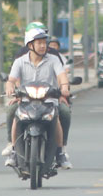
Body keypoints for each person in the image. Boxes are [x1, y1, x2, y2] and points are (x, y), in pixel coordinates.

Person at [4, 28, 72, 172]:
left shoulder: (53, 60)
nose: (43, 46)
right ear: (30, 45)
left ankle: (60, 152)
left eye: (44, 43)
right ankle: (14, 149)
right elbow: (11, 80)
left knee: (64, 112)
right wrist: (10, 88)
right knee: (12, 112)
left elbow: (61, 76)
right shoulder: (19, 62)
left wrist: (64, 87)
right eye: (39, 43)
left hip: (49, 100)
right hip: (25, 101)